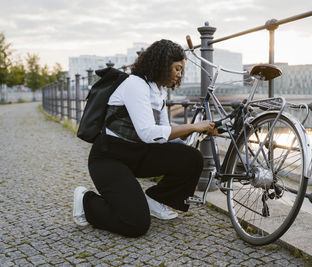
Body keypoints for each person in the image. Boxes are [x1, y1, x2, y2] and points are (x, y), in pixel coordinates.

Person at [72, 39, 217, 237]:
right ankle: (85, 201)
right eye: (177, 68)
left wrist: (195, 131)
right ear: (162, 64)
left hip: (139, 155)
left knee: (191, 157)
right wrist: (192, 125)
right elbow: (148, 133)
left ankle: (154, 199)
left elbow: (163, 133)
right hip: (110, 158)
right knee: (135, 224)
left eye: (181, 70)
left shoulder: (158, 90)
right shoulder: (135, 85)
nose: (179, 74)